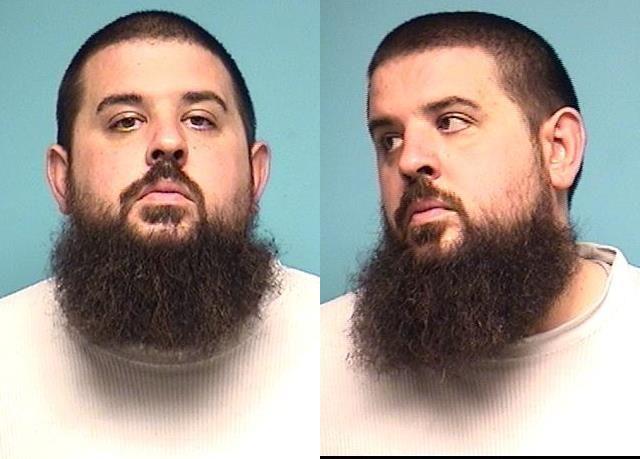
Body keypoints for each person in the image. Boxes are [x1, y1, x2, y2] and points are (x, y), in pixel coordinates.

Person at [0, 10, 318, 458]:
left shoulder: (327, 345)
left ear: (256, 174)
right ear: (62, 178)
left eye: (200, 119)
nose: (168, 141)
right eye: (126, 121)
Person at [321, 11, 640, 455]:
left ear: (558, 149)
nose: (408, 160)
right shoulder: (315, 361)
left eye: (451, 121)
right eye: (389, 139)